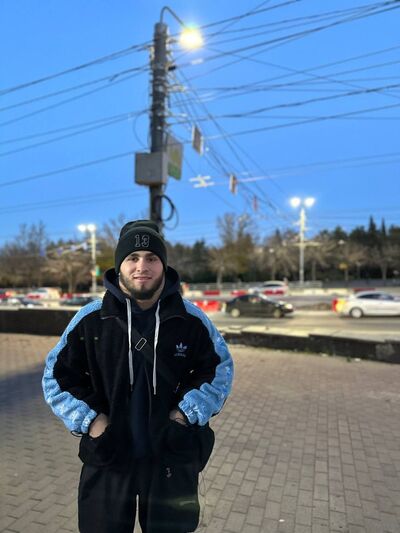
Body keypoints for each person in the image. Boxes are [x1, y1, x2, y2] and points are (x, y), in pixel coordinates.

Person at [42, 219, 234, 533]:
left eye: (151, 258)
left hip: (170, 458)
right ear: (120, 265)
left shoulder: (191, 319)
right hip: (109, 456)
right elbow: (57, 378)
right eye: (132, 257)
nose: (142, 266)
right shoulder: (92, 319)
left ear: (163, 265)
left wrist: (184, 415)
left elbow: (219, 370)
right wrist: (93, 422)